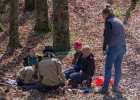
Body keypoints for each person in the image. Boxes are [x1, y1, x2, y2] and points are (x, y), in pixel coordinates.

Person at [95, 4, 126, 95]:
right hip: (123, 46)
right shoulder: (119, 21)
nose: (103, 17)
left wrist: (104, 48)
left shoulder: (109, 22)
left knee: (108, 68)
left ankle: (105, 89)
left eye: (103, 15)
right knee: (118, 67)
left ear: (106, 14)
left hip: (114, 47)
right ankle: (115, 87)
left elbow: (107, 36)